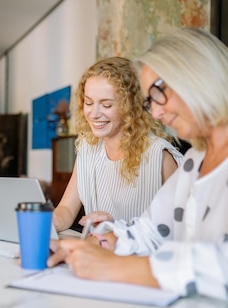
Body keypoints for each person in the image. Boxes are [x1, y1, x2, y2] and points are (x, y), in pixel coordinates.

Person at [48, 28, 228, 308]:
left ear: (197, 77)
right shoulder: (196, 159)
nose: (155, 112)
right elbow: (151, 230)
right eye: (149, 101)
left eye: (158, 94)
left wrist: (117, 268)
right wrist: (94, 246)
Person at [52, 57, 183, 232]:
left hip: (139, 258)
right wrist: (50, 222)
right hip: (99, 255)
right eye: (88, 103)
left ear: (130, 106)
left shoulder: (160, 155)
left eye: (106, 105)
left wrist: (119, 230)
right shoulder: (87, 148)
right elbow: (67, 209)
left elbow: (177, 230)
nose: (94, 114)